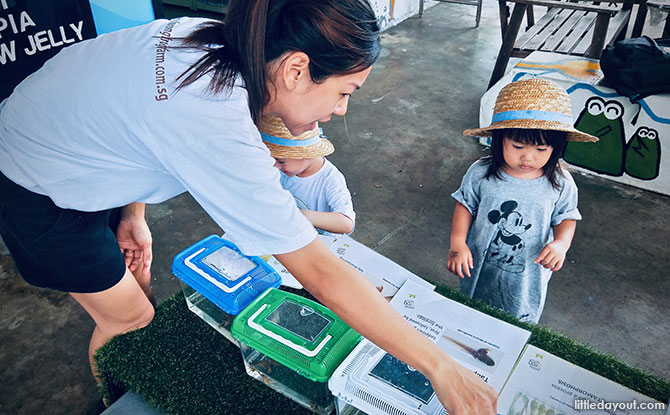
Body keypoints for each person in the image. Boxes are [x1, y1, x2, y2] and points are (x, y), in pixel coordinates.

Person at [0, 1, 496, 413]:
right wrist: (441, 369)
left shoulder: (213, 39)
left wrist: (132, 215)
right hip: (34, 186)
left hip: (63, 140)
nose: (341, 110)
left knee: (138, 289)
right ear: (297, 69)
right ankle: (116, 401)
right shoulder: (216, 122)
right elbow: (319, 271)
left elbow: (129, 117)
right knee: (129, 320)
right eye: (345, 92)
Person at [446, 78, 598, 323]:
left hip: (527, 275)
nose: (528, 157)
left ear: (555, 148)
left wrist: (561, 244)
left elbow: (567, 217)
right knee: (471, 312)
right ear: (498, 139)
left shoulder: (560, 182)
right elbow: (465, 204)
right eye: (518, 146)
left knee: (516, 320)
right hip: (478, 263)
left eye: (541, 149)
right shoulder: (481, 172)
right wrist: (457, 243)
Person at [260, 114, 355, 236]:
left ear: (306, 154)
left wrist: (301, 215)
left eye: (281, 161)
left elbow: (346, 224)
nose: (276, 166)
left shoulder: (331, 179)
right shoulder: (284, 170)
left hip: (322, 243)